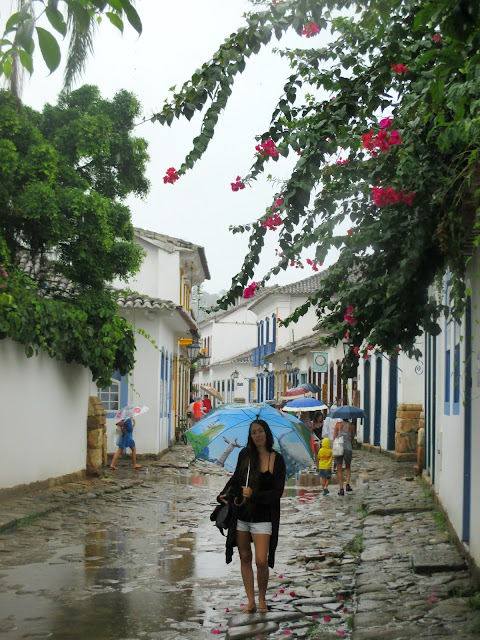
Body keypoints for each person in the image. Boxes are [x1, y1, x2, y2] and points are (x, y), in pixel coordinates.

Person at [217, 419, 286, 615]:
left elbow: (277, 492)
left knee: (261, 561)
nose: (258, 435)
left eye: (261, 431)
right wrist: (224, 493)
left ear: (267, 433)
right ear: (250, 435)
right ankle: (250, 602)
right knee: (245, 557)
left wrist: (254, 494)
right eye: (254, 432)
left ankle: (262, 598)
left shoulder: (276, 459)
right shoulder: (245, 455)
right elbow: (236, 478)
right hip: (242, 515)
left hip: (264, 518)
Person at [332, 419, 356, 495]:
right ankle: (348, 484)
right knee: (348, 467)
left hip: (339, 448)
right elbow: (352, 437)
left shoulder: (338, 425)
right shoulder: (352, 426)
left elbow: (334, 437)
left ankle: (341, 488)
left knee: (339, 469)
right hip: (348, 448)